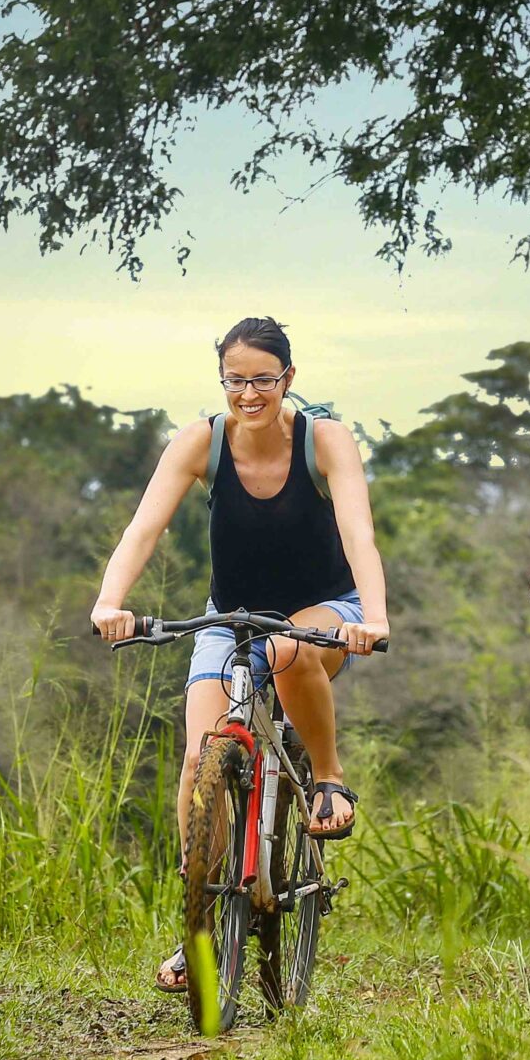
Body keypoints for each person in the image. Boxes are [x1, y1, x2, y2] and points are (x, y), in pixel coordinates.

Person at [91, 316, 392, 994]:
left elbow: (359, 532)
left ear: (288, 378)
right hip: (229, 619)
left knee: (288, 653)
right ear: (221, 380)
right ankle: (201, 914)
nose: (249, 392)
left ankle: (328, 778)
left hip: (325, 612)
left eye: (263, 378)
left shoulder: (325, 440)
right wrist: (110, 601)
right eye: (236, 380)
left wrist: (372, 616)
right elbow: (144, 528)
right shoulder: (202, 441)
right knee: (201, 758)